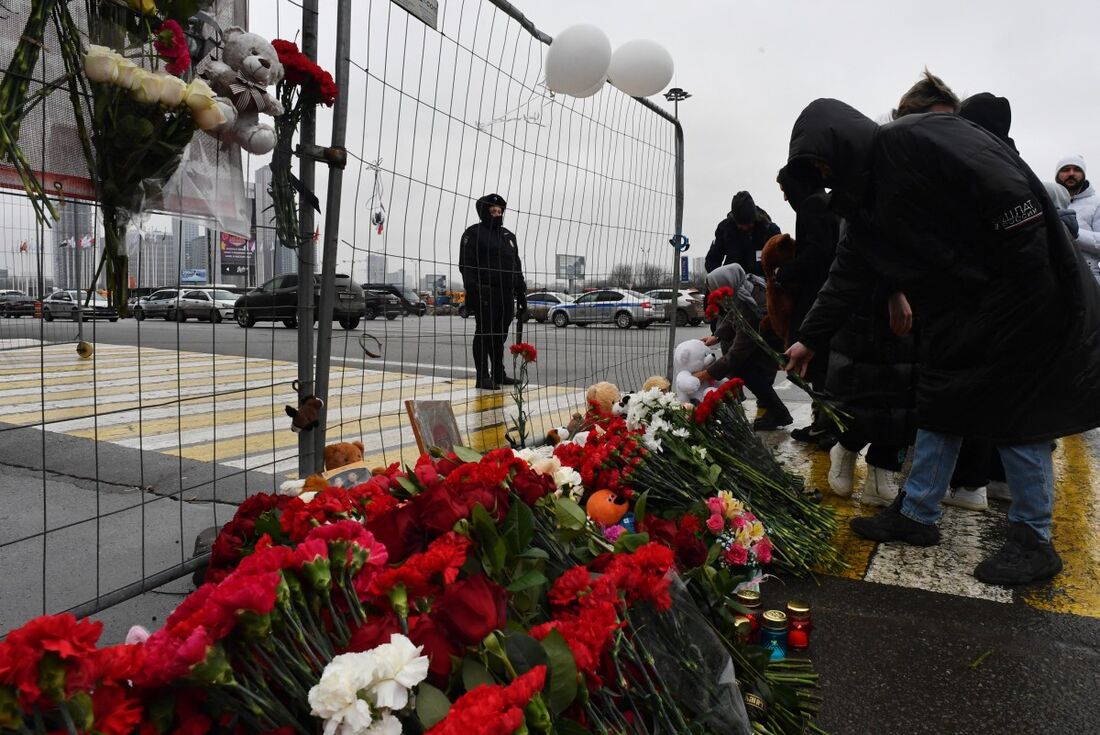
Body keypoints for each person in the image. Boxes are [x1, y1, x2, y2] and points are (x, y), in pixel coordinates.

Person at [783, 98, 1100, 585]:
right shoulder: (863, 197)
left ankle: (1033, 539)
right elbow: (849, 272)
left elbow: (1011, 196)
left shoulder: (916, 138)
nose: (825, 175)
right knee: (940, 404)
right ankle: (918, 513)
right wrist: (808, 339)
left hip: (1022, 291)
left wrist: (1015, 279)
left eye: (824, 163)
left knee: (1018, 414)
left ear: (840, 143)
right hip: (960, 308)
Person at [774, 163, 840, 446]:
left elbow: (816, 254)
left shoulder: (813, 206)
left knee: (818, 364)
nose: (786, 198)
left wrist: (783, 272)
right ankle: (824, 425)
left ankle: (825, 427)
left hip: (818, 297)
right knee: (826, 367)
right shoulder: (830, 202)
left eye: (786, 190)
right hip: (833, 296)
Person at [699, 263, 793, 430]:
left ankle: (778, 413)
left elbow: (737, 352)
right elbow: (734, 315)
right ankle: (773, 412)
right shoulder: (746, 287)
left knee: (743, 370)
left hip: (772, 344)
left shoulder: (751, 303)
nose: (713, 295)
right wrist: (717, 336)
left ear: (726, 284)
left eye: (714, 290)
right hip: (765, 340)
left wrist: (707, 373)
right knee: (746, 371)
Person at [458, 193, 527, 390]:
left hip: (506, 295)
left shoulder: (508, 237)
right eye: (493, 211)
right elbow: (466, 266)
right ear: (484, 212)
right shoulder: (473, 233)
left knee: (500, 336)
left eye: (500, 211)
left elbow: (516, 267)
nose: (497, 214)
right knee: (484, 334)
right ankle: (482, 376)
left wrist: (521, 294)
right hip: (485, 293)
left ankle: (498, 373)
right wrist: (474, 291)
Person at [704, 191, 780, 277]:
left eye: (748, 224)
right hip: (734, 283)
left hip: (763, 283)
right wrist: (721, 278)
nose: (745, 228)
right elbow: (712, 259)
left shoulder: (770, 230)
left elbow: (782, 260)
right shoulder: (725, 230)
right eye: (741, 224)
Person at [1055, 155, 1100, 284]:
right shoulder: (1048, 202)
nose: (1071, 173)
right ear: (1057, 175)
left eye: (1076, 169)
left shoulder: (1097, 203)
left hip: (1088, 278)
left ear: (1084, 174)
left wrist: (1075, 234)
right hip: (1053, 278)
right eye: (1065, 169)